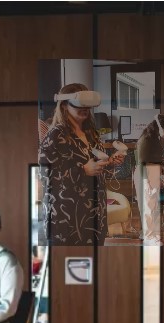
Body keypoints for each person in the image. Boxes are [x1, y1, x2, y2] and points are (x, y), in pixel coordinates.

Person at [38, 83, 126, 246]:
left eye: (88, 104)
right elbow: (45, 175)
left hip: (94, 216)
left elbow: (97, 168)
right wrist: (83, 170)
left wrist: (110, 163)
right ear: (64, 106)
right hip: (66, 217)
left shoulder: (91, 134)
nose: (85, 109)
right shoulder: (56, 135)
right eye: (80, 104)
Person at [135, 114, 164, 245]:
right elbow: (142, 162)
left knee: (153, 207)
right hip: (144, 173)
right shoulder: (146, 139)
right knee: (147, 207)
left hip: (152, 172)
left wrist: (161, 174)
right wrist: (148, 182)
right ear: (160, 126)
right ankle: (148, 237)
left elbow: (157, 159)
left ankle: (149, 235)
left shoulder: (155, 138)